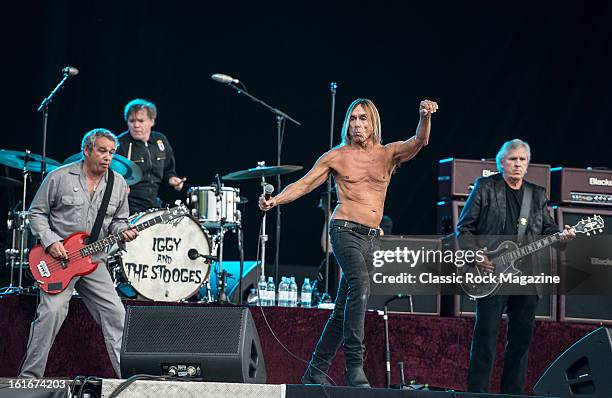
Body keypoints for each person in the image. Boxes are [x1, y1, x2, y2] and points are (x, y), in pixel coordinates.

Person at [259, 98, 438, 387]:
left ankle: (316, 370)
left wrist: (424, 116)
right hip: (343, 231)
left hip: (370, 238)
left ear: (373, 123)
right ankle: (354, 366)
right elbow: (304, 184)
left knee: (343, 308)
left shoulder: (388, 153)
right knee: (361, 285)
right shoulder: (336, 156)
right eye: (353, 119)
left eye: (363, 119)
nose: (357, 124)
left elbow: (420, 141)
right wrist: (275, 200)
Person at [456, 139, 575, 394]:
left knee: (520, 342)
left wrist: (562, 237)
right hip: (490, 273)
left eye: (522, 159)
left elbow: (549, 231)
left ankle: (512, 393)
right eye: (512, 159)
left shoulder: (537, 194)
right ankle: (477, 393)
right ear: (501, 163)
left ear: (528, 164)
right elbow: (463, 229)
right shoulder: (485, 188)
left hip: (526, 276)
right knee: (486, 337)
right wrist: (476, 255)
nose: (517, 164)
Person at [19, 129, 138, 378]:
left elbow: (119, 220)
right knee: (52, 312)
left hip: (94, 260)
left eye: (112, 153)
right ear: (87, 150)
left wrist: (124, 231)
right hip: (58, 259)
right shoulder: (59, 177)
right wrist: (51, 242)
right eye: (102, 151)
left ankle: (129, 382)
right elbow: (36, 213)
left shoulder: (118, 183)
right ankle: (29, 379)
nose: (108, 157)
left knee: (117, 315)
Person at [116, 99, 185, 213]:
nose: (136, 125)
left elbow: (168, 170)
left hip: (154, 203)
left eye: (141, 121)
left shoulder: (160, 140)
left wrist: (172, 179)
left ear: (152, 121)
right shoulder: (120, 143)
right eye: (132, 121)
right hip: (129, 205)